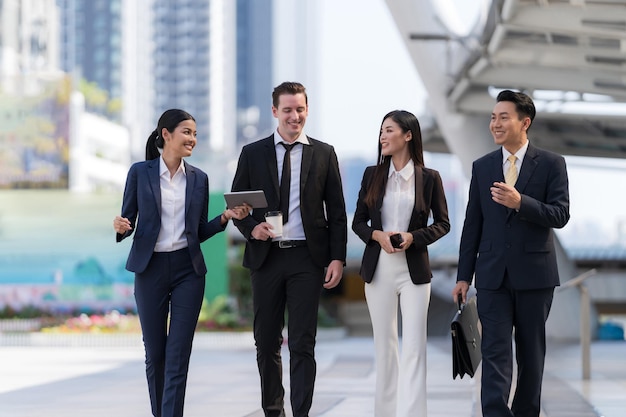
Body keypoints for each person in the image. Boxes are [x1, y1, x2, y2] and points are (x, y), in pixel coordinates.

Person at [113, 109, 248, 417]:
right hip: (150, 270)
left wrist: (225, 217)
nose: (192, 139)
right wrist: (122, 228)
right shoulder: (139, 172)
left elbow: (197, 231)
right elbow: (128, 220)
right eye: (187, 132)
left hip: (189, 270)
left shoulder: (199, 179)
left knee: (178, 355)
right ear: (166, 134)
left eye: (195, 134)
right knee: (156, 355)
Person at [230, 81, 347, 417]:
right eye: (287, 110)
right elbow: (238, 206)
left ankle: (301, 413)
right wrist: (253, 227)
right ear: (274, 112)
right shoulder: (253, 153)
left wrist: (337, 257)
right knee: (266, 342)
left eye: (300, 109)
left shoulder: (324, 153)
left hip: (306, 259)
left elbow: (336, 213)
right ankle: (273, 411)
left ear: (306, 110)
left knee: (302, 343)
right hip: (266, 259)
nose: (294, 116)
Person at [452, 90, 570, 417]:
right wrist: (464, 276)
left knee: (531, 356)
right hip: (491, 276)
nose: (495, 123)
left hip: (535, 277)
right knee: (494, 352)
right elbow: (472, 224)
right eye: (493, 117)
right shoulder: (482, 166)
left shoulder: (551, 164)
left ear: (525, 122)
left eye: (504, 117)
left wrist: (521, 203)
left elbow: (560, 214)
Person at [352, 110, 450, 417]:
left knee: (414, 348)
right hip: (378, 269)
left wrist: (413, 237)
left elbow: (443, 223)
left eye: (389, 130)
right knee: (385, 347)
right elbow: (358, 222)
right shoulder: (372, 175)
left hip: (414, 272)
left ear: (408, 135)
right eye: (381, 131)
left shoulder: (429, 178)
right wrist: (377, 235)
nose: (382, 136)